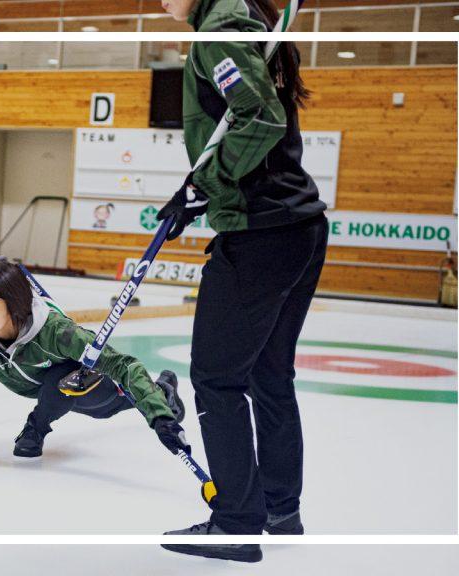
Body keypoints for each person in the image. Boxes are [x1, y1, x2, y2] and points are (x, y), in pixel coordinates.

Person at [156, 0, 328, 564]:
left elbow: (260, 118)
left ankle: (236, 522)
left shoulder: (219, 32)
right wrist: (203, 190)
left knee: (216, 378)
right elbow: (255, 122)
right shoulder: (246, 21)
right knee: (266, 373)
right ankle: (282, 508)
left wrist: (214, 181)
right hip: (297, 227)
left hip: (258, 235)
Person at [0, 260, 189, 462]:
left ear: (14, 306)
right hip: (49, 391)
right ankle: (160, 388)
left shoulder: (57, 332)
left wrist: (160, 417)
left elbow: (124, 365)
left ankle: (161, 393)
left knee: (96, 399)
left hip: (87, 384)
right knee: (57, 385)